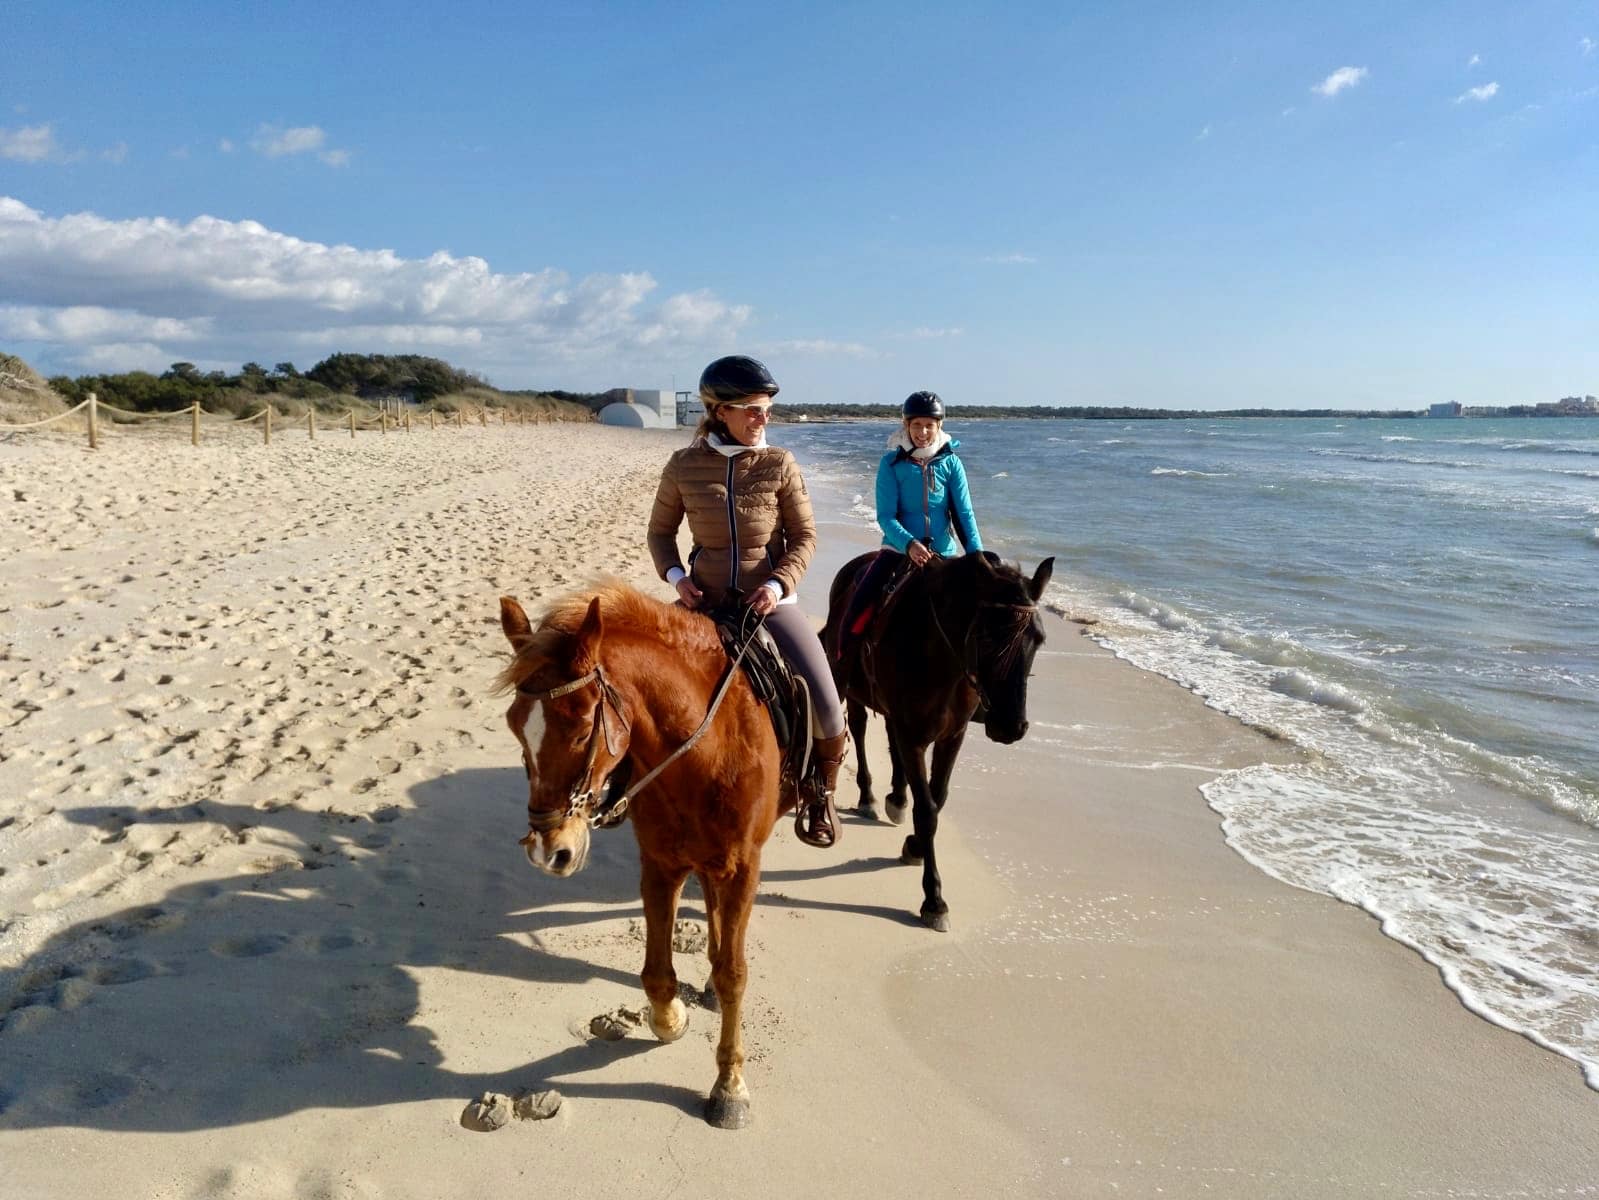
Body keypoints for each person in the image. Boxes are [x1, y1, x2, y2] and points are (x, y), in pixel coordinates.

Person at [647, 355, 848, 849]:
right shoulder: (684, 465)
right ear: (721, 412)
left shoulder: (779, 463)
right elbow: (659, 533)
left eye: (766, 409)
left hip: (771, 603)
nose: (763, 418)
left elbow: (804, 537)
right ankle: (629, 788)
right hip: (703, 600)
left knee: (826, 702)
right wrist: (677, 578)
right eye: (753, 409)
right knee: (644, 690)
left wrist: (778, 585)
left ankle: (820, 792)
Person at [834, 391, 983, 660]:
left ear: (939, 427)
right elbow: (886, 517)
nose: (922, 432)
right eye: (916, 425)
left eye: (929, 425)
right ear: (906, 425)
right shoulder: (891, 463)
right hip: (898, 550)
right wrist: (909, 544)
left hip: (944, 553)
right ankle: (843, 667)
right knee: (857, 611)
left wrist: (977, 556)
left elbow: (964, 514)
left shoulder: (951, 463)